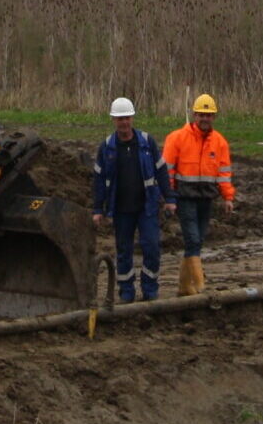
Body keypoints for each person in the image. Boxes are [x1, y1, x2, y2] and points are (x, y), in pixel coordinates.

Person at [91, 98, 166, 302]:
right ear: (113, 120)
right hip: (121, 209)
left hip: (146, 206)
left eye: (126, 118)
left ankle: (150, 290)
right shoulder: (106, 148)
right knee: (124, 251)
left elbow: (161, 171)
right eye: (119, 119)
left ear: (132, 118)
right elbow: (98, 180)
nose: (123, 123)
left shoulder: (146, 143)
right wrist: (98, 209)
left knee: (151, 247)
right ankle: (126, 292)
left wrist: (170, 198)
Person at [159, 93, 234, 295]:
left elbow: (224, 173)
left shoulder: (220, 143)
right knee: (192, 239)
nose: (204, 119)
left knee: (198, 240)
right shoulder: (177, 138)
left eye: (208, 115)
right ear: (194, 115)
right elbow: (167, 172)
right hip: (184, 198)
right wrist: (169, 198)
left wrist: (228, 197)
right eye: (201, 114)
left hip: (206, 198)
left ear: (214, 117)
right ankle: (200, 287)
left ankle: (184, 287)